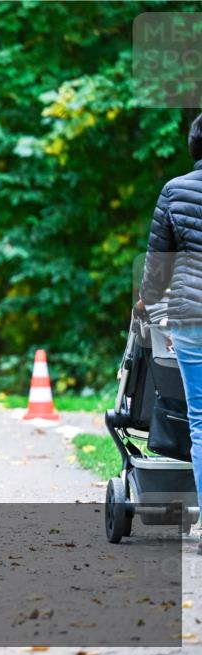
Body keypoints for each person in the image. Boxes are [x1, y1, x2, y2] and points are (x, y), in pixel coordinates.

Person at [138, 112, 202, 554]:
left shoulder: (175, 190)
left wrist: (145, 301)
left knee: (201, 421)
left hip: (192, 318)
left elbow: (157, 265)